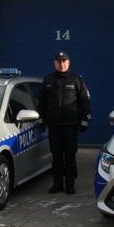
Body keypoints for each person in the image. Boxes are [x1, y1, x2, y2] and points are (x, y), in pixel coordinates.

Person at [39, 51, 91, 194]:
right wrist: (42, 120)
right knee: (56, 156)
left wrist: (84, 121)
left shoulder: (76, 80)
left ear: (68, 63)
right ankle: (57, 184)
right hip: (54, 126)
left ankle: (70, 184)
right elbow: (41, 102)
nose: (61, 64)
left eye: (64, 61)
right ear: (54, 63)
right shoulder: (48, 80)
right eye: (59, 61)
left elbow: (85, 102)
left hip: (70, 126)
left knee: (69, 156)